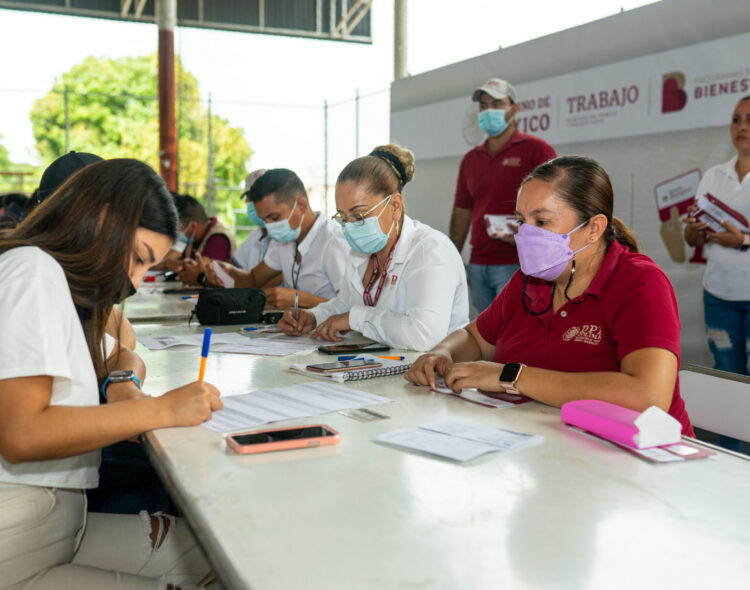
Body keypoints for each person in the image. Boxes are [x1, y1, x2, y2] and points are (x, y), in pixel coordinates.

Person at [0, 158, 222, 588]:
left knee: (209, 554)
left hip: (60, 524)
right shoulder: (32, 270)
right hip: (18, 540)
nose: (137, 282)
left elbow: (121, 352)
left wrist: (122, 386)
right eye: (138, 258)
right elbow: (21, 434)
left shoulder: (57, 283)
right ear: (103, 217)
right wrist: (160, 411)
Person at [406, 155, 694, 436]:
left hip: (638, 459)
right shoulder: (529, 279)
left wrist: (512, 376)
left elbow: (648, 396)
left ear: (594, 228)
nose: (527, 235)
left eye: (542, 222)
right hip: (548, 447)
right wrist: (441, 354)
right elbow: (476, 338)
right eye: (521, 221)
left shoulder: (639, 282)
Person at [279, 145, 469, 351]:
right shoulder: (361, 253)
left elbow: (423, 336)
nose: (350, 227)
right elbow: (345, 304)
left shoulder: (429, 250)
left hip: (435, 376)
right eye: (343, 217)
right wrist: (314, 316)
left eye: (359, 216)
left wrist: (356, 318)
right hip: (383, 367)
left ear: (395, 206)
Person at [450, 78, 557, 313]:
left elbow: (557, 205)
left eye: (497, 104)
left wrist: (528, 231)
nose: (489, 111)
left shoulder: (537, 150)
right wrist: (453, 259)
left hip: (520, 263)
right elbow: (461, 210)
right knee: (484, 340)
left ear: (514, 108)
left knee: (516, 337)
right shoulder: (470, 159)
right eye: (484, 105)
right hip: (477, 265)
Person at [684, 95, 750, 451]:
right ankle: (730, 457)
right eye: (736, 119)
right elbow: (691, 235)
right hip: (719, 295)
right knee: (728, 380)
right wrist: (693, 227)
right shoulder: (714, 175)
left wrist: (744, 240)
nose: (741, 127)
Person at [207, 168, 349, 309]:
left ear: (301, 205)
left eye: (274, 218)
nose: (269, 226)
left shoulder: (333, 242)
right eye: (264, 220)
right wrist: (227, 271)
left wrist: (298, 300)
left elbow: (350, 308)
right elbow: (254, 278)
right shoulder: (285, 241)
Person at [174, 194, 236, 284]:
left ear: (193, 226)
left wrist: (167, 263)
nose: (178, 234)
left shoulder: (218, 239)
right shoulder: (194, 238)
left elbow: (197, 269)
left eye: (180, 229)